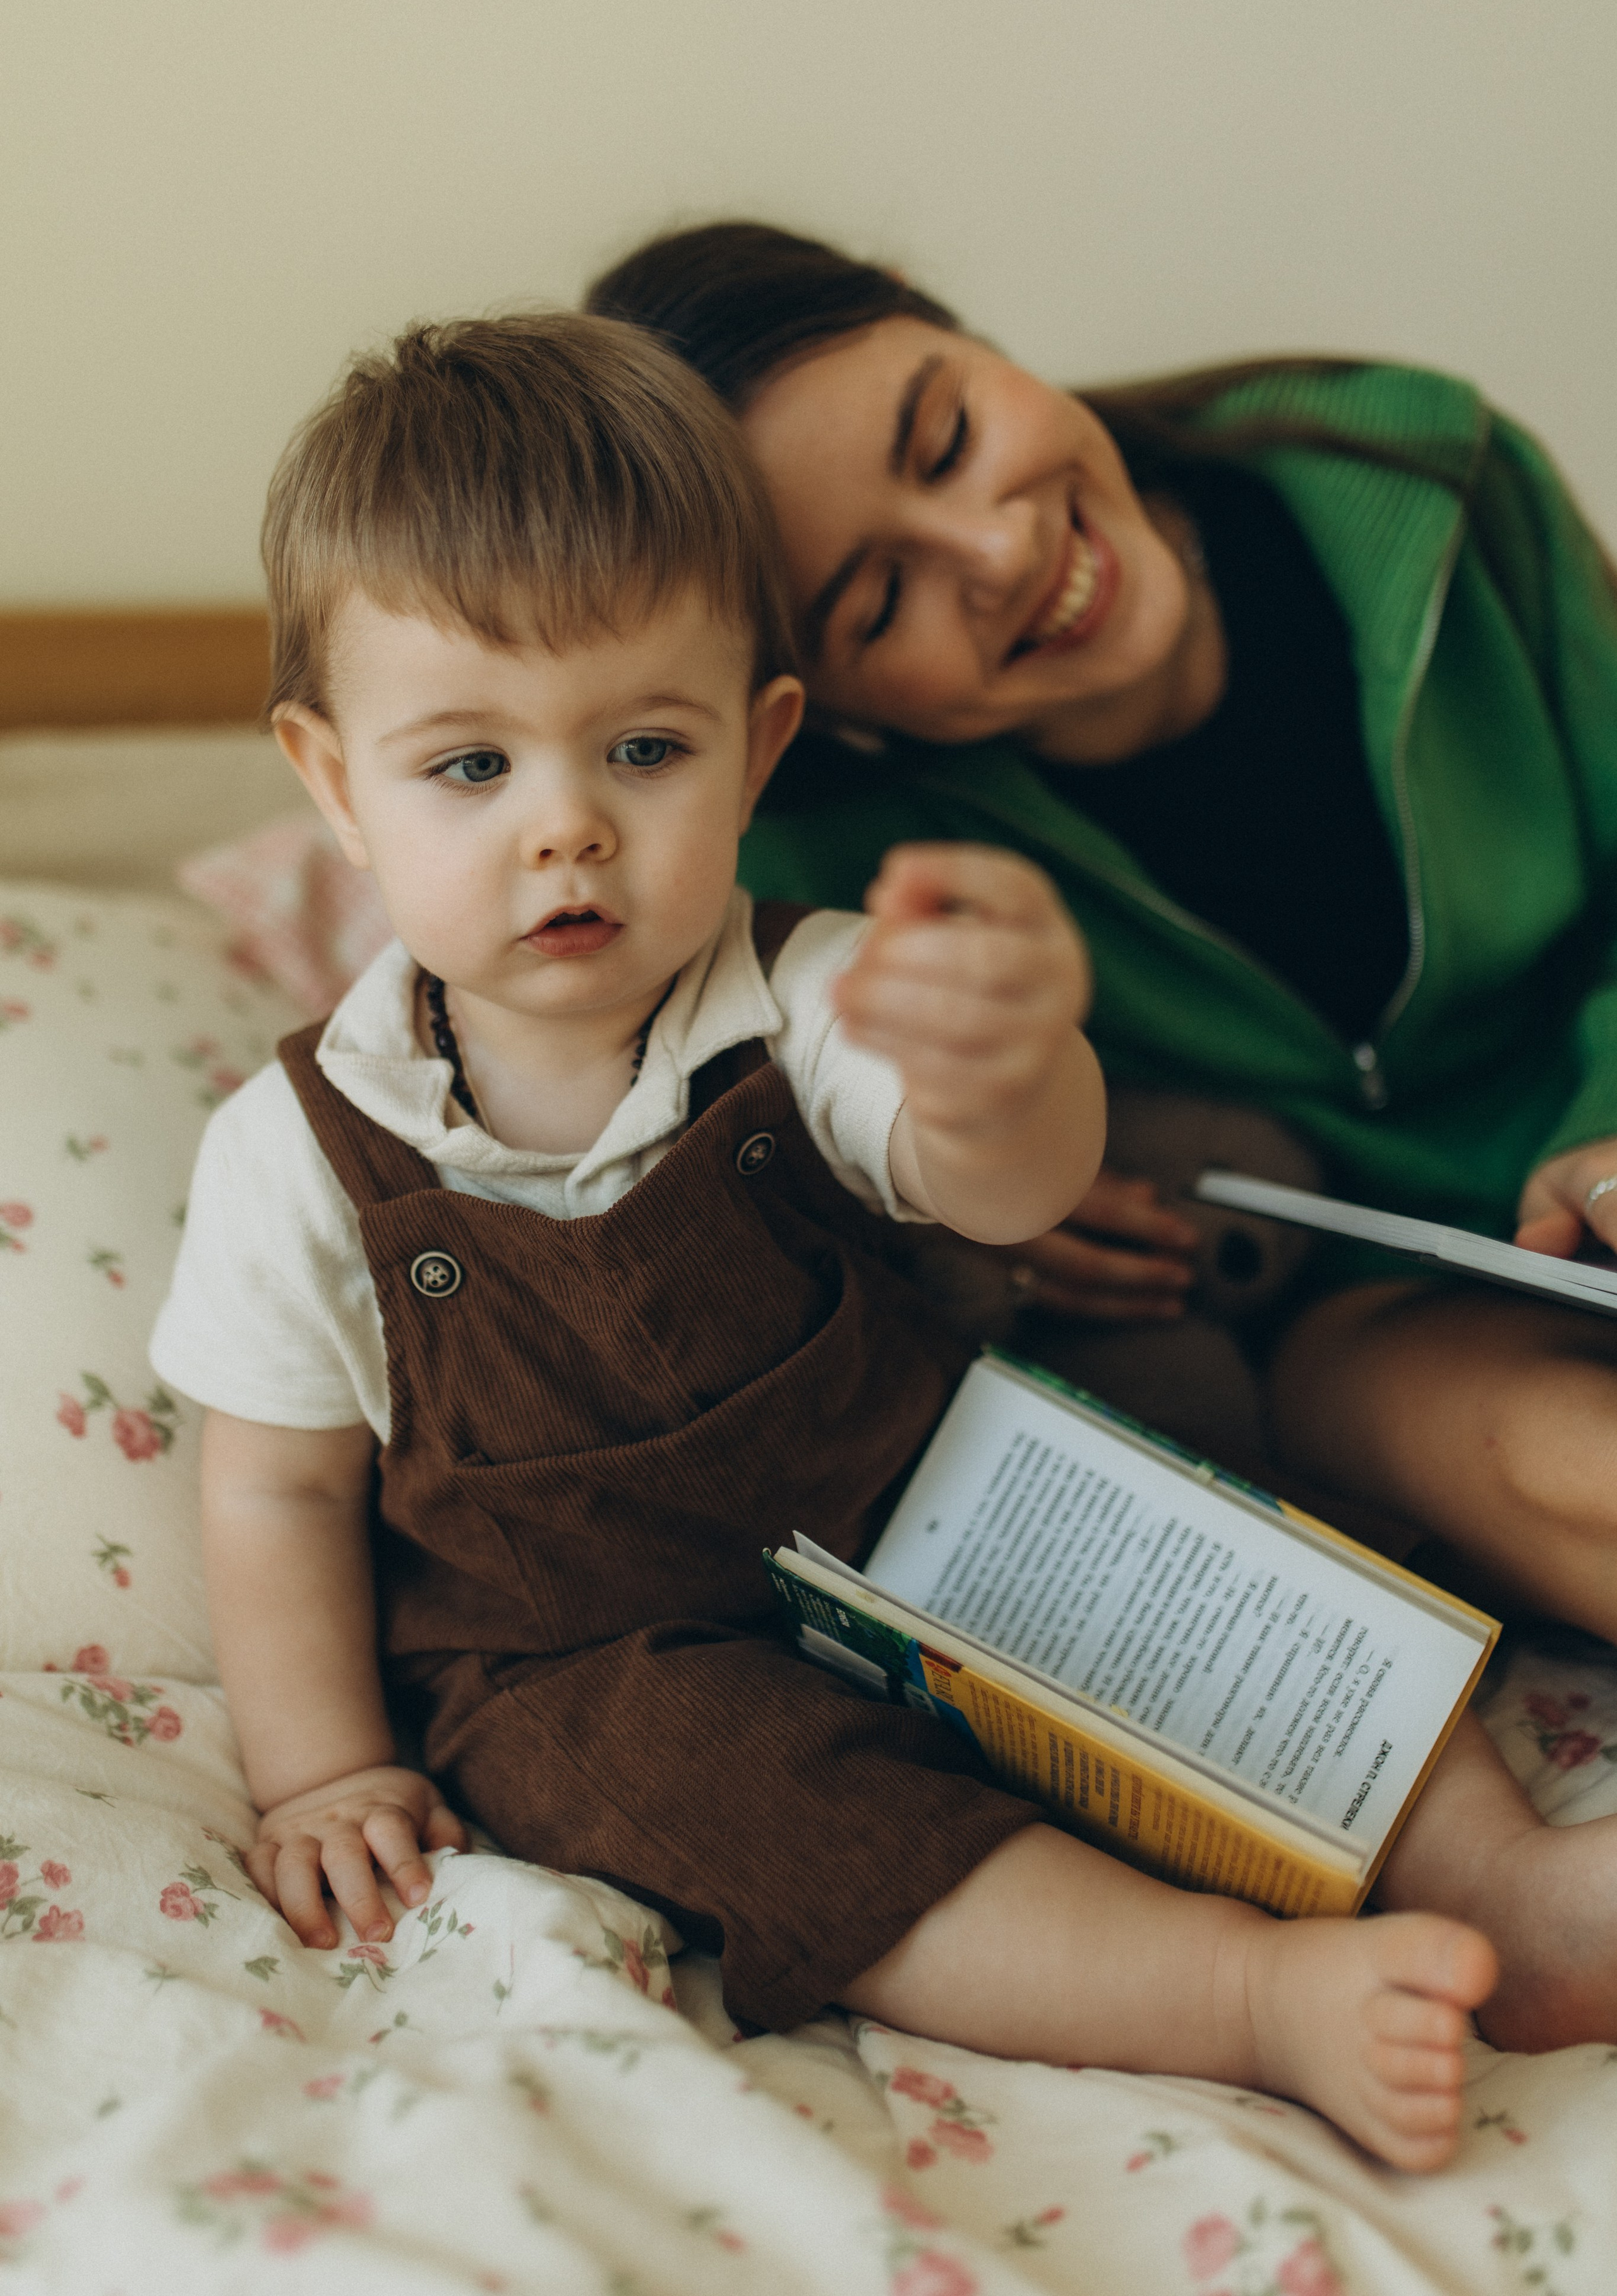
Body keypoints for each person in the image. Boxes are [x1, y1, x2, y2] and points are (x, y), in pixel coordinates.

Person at [152, 309, 1617, 2180]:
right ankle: (1252, 2001)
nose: (570, 831)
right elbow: (273, 1494)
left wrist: (1011, 1062)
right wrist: (325, 1770)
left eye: (645, 746)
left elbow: (998, 1181)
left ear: (762, 749)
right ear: (332, 777)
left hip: (929, 1506)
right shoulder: (301, 1152)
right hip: (612, 1651)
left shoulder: (810, 989)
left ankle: (1512, 1889)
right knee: (811, 1837)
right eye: (469, 769)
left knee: (1219, 1599)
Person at [586, 221, 1617, 1634]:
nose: (998, 549)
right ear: (823, 713)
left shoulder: (1422, 480)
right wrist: (981, 1213)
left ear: (973, 337)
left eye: (945, 436)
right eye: (881, 603)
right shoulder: (813, 864)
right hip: (1364, 1309)